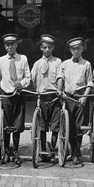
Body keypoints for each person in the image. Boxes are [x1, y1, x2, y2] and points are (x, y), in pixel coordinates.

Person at [0, 33, 31, 165]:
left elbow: (28, 77)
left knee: (17, 126)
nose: (10, 47)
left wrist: (22, 84)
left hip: (18, 94)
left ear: (16, 44)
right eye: (7, 45)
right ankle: (6, 151)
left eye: (12, 44)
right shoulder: (0, 60)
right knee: (6, 125)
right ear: (4, 46)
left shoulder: (23, 59)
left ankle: (16, 152)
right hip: (6, 95)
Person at [57, 36, 94, 165]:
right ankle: (74, 152)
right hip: (68, 97)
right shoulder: (65, 64)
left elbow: (90, 82)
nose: (76, 51)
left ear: (82, 48)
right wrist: (60, 90)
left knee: (79, 127)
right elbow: (60, 78)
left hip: (81, 97)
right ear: (70, 50)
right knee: (69, 126)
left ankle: (76, 154)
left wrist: (85, 96)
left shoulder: (87, 64)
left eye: (78, 48)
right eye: (73, 49)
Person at [29, 34, 63, 163]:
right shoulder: (37, 64)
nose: (47, 50)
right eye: (44, 47)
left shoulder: (58, 61)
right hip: (41, 97)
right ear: (41, 48)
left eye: (49, 47)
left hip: (54, 96)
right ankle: (43, 150)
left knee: (55, 126)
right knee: (42, 126)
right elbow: (31, 79)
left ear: (53, 48)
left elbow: (60, 77)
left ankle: (53, 150)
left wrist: (59, 89)